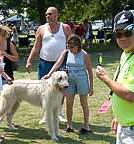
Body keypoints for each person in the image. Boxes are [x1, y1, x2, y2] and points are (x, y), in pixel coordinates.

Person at [26, 7, 72, 124]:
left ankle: (59, 113)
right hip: (44, 63)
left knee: (61, 88)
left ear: (56, 15)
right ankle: (46, 115)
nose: (48, 16)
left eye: (50, 14)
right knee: (45, 89)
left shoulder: (65, 28)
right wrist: (29, 60)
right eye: (46, 14)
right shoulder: (41, 29)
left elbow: (72, 45)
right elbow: (36, 46)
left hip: (61, 64)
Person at [42, 34, 93, 134]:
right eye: (68, 46)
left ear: (78, 45)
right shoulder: (66, 53)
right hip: (69, 80)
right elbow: (57, 64)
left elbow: (90, 71)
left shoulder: (84, 54)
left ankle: (86, 126)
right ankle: (69, 126)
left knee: (84, 104)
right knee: (69, 103)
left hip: (82, 79)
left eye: (72, 46)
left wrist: (91, 86)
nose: (69, 48)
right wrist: (49, 74)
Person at [96, 10, 134, 143]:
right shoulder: (126, 53)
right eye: (118, 34)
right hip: (125, 127)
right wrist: (119, 117)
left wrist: (105, 79)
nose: (123, 38)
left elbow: (130, 95)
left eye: (128, 33)